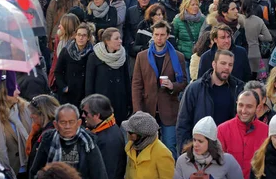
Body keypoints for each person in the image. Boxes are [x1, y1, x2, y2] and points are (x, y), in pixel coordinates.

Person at [30, 104, 110, 179]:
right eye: (63, 122)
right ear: (56, 125)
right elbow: (35, 172)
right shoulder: (48, 141)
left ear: (78, 123)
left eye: (71, 122)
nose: (67, 126)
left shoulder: (88, 144)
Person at [132, 20, 187, 159]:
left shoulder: (178, 56)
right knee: (146, 148)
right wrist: (138, 110)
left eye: (162, 35)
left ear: (168, 36)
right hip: (147, 109)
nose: (159, 37)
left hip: (169, 109)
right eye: (156, 34)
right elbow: (137, 85)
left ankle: (171, 178)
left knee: (169, 148)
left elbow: (184, 83)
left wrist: (172, 86)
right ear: (152, 35)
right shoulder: (142, 56)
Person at [172, 116, 246, 179]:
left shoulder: (227, 161)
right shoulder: (183, 161)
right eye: (194, 140)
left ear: (211, 142)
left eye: (200, 141)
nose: (195, 144)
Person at [176, 49, 245, 153]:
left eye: (230, 65)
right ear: (214, 64)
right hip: (201, 149)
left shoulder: (238, 88)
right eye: (223, 63)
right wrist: (185, 153)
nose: (227, 67)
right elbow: (183, 123)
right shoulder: (195, 89)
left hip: (227, 150)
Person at [218, 91, 269, 179]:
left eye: (249, 106)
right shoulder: (222, 130)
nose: (243, 110)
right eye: (240, 105)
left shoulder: (267, 132)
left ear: (258, 107)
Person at [114, 111, 174, 179]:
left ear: (142, 136)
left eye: (131, 132)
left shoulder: (162, 153)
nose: (127, 134)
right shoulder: (132, 147)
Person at [80, 94, 126, 179]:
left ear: (97, 115)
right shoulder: (104, 128)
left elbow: (108, 177)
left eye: (86, 113)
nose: (82, 115)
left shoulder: (109, 140)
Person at [0, 81, 32, 179]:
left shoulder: (27, 108)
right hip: (11, 171)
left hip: (30, 166)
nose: (18, 92)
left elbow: (33, 137)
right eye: (14, 89)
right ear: (3, 93)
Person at [85, 27, 131, 124]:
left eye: (120, 38)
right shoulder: (94, 56)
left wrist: (129, 103)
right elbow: (89, 83)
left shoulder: (123, 55)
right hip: (101, 103)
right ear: (107, 41)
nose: (120, 41)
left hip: (119, 102)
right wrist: (90, 106)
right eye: (116, 38)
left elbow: (127, 80)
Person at [54, 23, 93, 108]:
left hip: (83, 95)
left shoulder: (92, 54)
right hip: (68, 94)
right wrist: (64, 87)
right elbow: (58, 71)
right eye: (79, 35)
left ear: (88, 38)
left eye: (84, 35)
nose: (81, 38)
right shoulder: (66, 51)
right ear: (75, 36)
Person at [26, 95, 60, 177]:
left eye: (33, 113)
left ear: (43, 114)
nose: (31, 116)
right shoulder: (41, 130)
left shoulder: (51, 134)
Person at [241, 0, 272, 78]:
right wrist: (258, 36)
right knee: (254, 80)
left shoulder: (239, 21)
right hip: (255, 52)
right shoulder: (258, 20)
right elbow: (268, 37)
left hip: (243, 53)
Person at [172, 0, 205, 70]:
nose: (195, 7)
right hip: (183, 56)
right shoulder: (178, 20)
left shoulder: (202, 19)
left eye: (197, 4)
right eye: (192, 5)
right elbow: (174, 37)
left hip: (198, 56)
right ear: (186, 6)